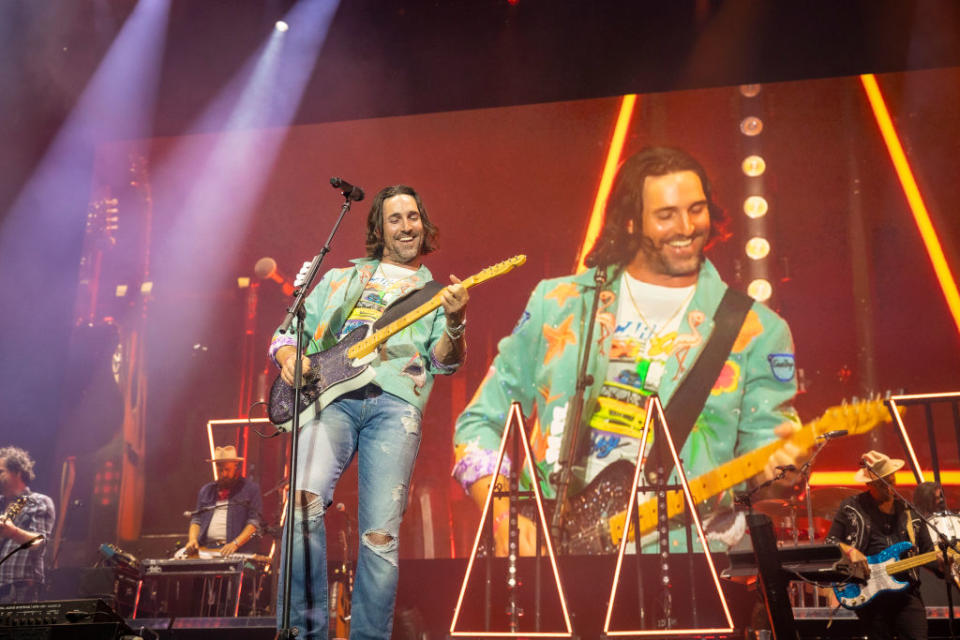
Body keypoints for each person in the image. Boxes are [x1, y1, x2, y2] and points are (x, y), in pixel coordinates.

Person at [453, 146, 802, 555]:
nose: (687, 227)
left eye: (696, 209)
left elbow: (767, 456)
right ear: (632, 221)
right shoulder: (560, 303)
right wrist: (503, 517)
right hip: (550, 558)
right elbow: (477, 423)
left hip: (686, 561)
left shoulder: (755, 330)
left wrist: (783, 466)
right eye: (666, 214)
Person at [269, 184, 468, 639]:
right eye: (395, 218)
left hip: (394, 404)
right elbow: (285, 335)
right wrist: (289, 360)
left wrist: (455, 321)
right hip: (330, 397)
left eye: (413, 217)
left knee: (380, 538)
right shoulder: (341, 277)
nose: (405, 226)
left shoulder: (433, 292)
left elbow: (444, 361)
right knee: (302, 505)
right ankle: (305, 632)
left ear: (424, 224)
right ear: (379, 228)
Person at [827, 450, 938, 640]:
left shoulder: (910, 512)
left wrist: (943, 561)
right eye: (881, 483)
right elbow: (830, 543)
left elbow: (928, 552)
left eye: (890, 480)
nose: (888, 487)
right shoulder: (851, 507)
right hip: (868, 591)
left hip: (906, 593)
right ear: (869, 484)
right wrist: (850, 551)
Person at [180, 445, 263, 557]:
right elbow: (196, 520)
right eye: (220, 470)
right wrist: (192, 540)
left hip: (235, 550)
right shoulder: (206, 490)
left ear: (236, 466)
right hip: (206, 548)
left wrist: (235, 543)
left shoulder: (250, 489)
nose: (223, 474)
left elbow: (254, 522)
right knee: (179, 557)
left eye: (227, 469)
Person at [0, 446, 55, 604]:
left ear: (17, 472)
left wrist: (12, 532)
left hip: (19, 588)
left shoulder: (38, 501)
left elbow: (40, 543)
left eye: (1, 471)